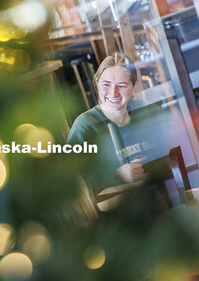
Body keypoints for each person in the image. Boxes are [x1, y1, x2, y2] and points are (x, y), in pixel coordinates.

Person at [67, 53, 170, 193]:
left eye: (121, 86)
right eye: (106, 84)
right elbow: (72, 180)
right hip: (116, 209)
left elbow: (177, 152)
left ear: (134, 87)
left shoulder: (149, 112)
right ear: (97, 83)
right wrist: (117, 175)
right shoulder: (85, 126)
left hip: (166, 197)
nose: (113, 93)